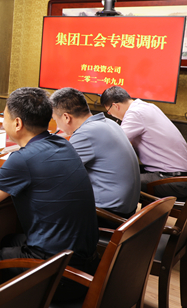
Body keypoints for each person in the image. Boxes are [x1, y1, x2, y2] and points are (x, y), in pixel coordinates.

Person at [0, 87, 99, 285]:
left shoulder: (22, 159)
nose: (3, 122)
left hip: (57, 271)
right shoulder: (62, 144)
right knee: (8, 240)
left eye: (5, 117)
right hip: (84, 260)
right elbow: (32, 178)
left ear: (17, 123)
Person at [50, 87, 140, 220]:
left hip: (108, 214)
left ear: (66, 117)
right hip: (127, 209)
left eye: (55, 119)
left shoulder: (85, 133)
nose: (57, 126)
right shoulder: (109, 123)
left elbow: (57, 174)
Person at [100, 86, 187, 199]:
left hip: (172, 179)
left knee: (115, 180)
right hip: (178, 176)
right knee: (125, 173)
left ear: (116, 106)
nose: (110, 114)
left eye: (109, 111)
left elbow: (113, 143)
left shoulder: (134, 113)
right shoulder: (148, 106)